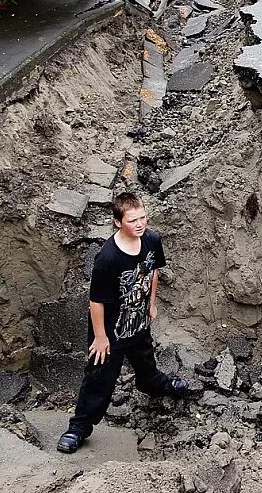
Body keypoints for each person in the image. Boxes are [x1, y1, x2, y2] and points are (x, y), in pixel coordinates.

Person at [57, 191, 188, 453]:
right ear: (118, 222)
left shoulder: (151, 239)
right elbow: (96, 301)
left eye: (143, 218)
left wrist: (151, 304)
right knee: (99, 377)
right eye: (132, 220)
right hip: (110, 329)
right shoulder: (108, 258)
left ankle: (152, 384)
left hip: (138, 319)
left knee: (145, 358)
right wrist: (100, 337)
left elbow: (153, 272)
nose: (140, 224)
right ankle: (79, 427)